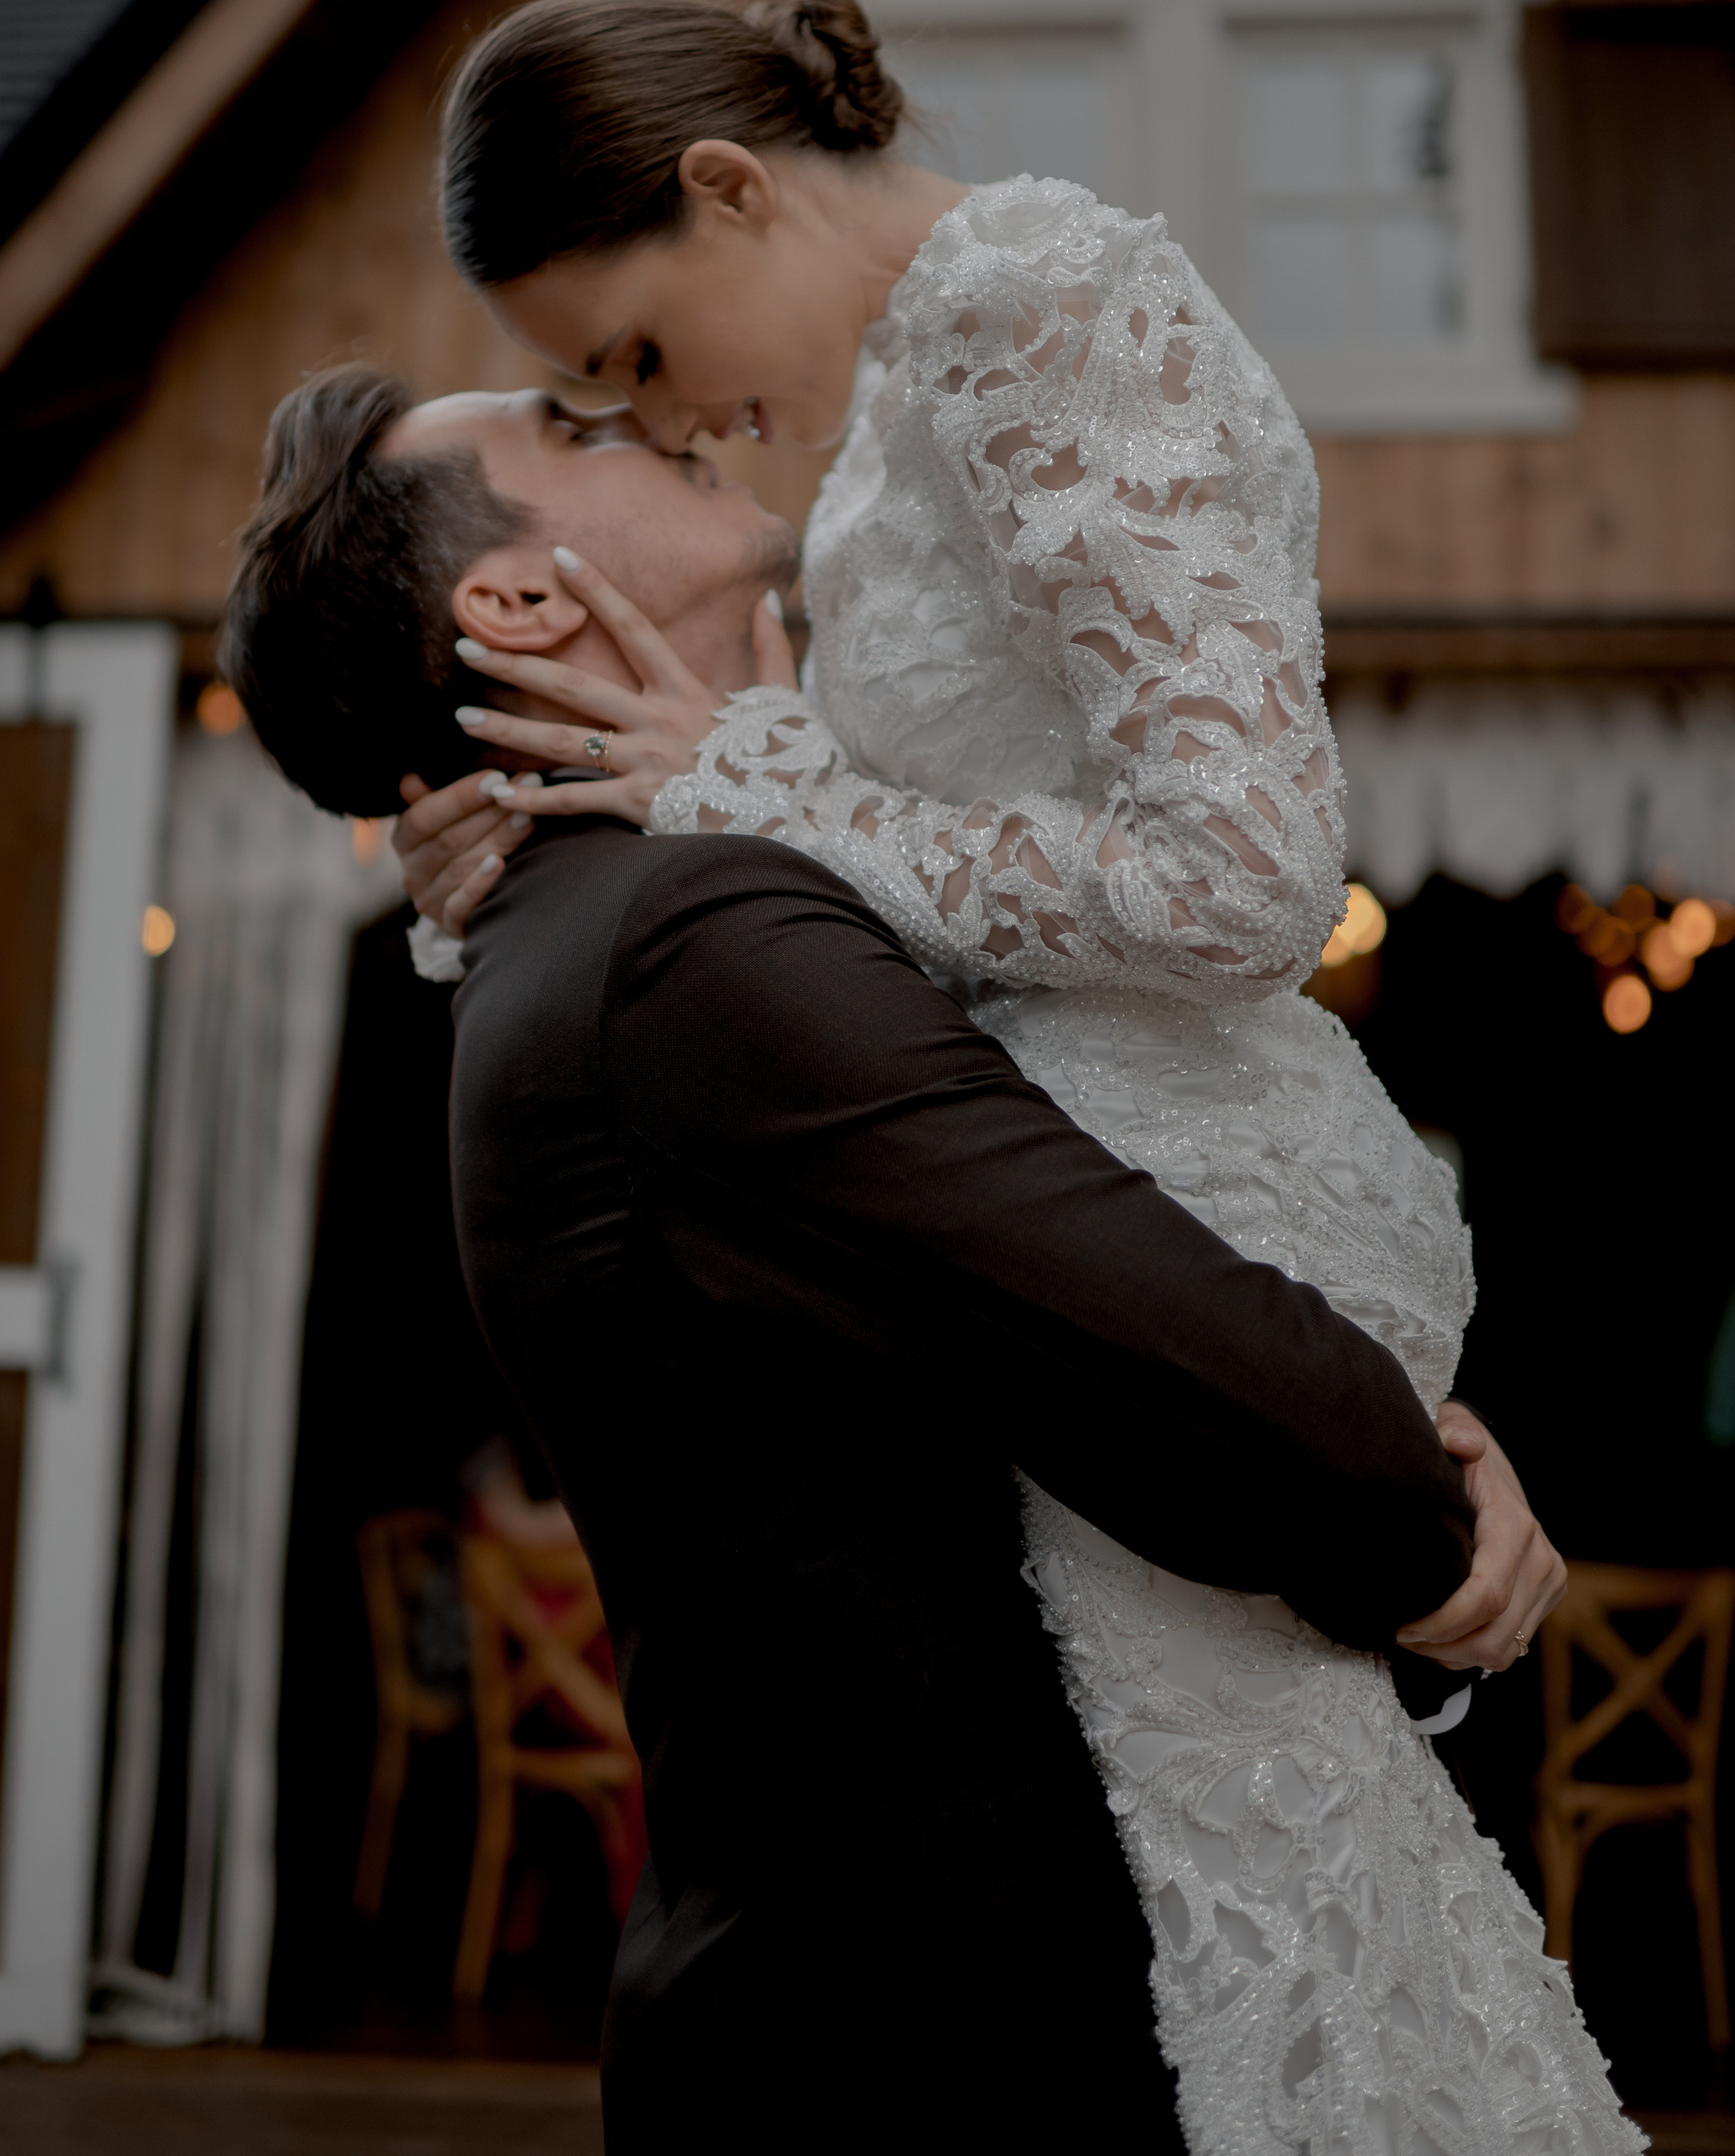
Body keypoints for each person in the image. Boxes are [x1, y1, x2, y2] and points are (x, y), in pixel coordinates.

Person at [392, 0, 1639, 2150]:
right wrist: (527, 820)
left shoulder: (1043, 302)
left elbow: (1249, 877)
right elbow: (820, 820)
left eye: (643, 365)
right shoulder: (890, 418)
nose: (672, 430)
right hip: (1057, 1217)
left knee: (1253, 1934)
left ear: (730, 188)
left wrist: (762, 774)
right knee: (1207, 1934)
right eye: (606, 408)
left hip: (1181, 1180)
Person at [223, 365, 1561, 2151]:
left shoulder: (597, 918)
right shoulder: (680, 936)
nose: (643, 406)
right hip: (935, 2031)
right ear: (515, 601)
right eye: (568, 425)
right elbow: (1121, 1325)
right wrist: (1416, 1497)